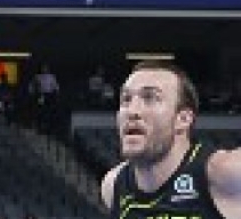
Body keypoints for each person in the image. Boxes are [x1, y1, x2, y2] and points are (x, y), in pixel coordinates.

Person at [100, 60, 241, 218]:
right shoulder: (113, 186)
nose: (132, 111)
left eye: (150, 98)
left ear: (183, 119)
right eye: (126, 99)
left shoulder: (226, 172)